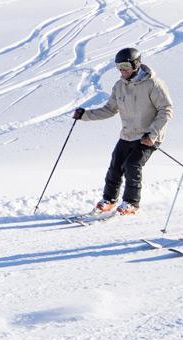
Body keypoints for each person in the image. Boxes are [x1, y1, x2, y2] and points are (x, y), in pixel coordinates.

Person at [73, 47, 174, 217]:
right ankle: (109, 200)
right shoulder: (119, 86)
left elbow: (166, 110)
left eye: (125, 66)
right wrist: (85, 115)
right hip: (128, 135)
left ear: (135, 64)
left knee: (132, 165)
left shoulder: (153, 84)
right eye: (118, 66)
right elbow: (110, 110)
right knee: (115, 165)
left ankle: (131, 203)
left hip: (147, 137)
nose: (122, 70)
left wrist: (152, 134)